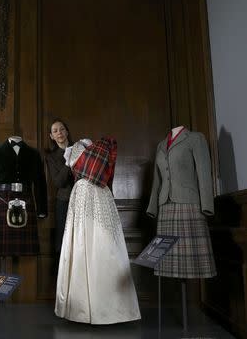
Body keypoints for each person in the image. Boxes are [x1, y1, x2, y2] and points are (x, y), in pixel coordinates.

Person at [55, 137, 141, 324]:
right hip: (83, 195)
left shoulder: (103, 147)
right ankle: (82, 308)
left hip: (100, 195)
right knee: (81, 243)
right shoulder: (77, 149)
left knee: (105, 243)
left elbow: (107, 176)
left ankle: (109, 307)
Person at [146, 126, 217, 279]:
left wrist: (207, 206)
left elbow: (204, 173)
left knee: (190, 259)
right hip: (164, 206)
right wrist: (153, 206)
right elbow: (156, 180)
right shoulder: (161, 145)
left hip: (188, 204)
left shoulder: (195, 138)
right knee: (167, 260)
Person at [0, 136, 48, 256]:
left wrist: (41, 210)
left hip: (27, 198)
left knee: (27, 250)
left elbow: (40, 183)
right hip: (1, 200)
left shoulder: (34, 154)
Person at [44, 119, 74, 253]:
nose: (59, 133)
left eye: (62, 129)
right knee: (62, 240)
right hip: (64, 202)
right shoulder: (51, 157)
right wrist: (68, 162)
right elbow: (58, 182)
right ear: (51, 136)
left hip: (83, 199)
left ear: (67, 132)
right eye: (55, 131)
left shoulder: (80, 149)